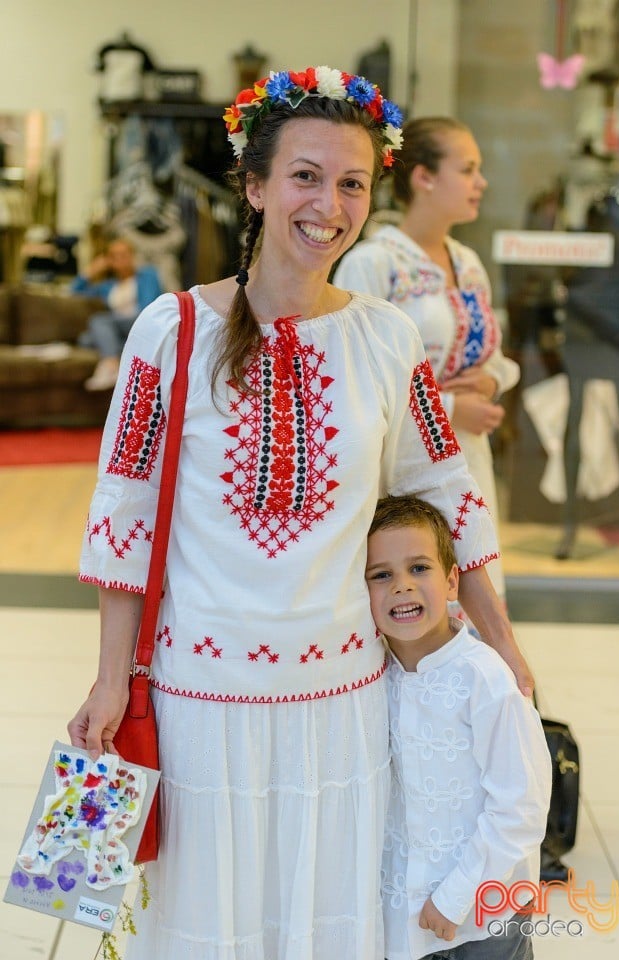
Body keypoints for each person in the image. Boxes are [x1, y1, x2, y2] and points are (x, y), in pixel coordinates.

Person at [68, 66, 533, 960]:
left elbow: (447, 496)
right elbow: (121, 512)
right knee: (207, 924)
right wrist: (106, 677)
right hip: (199, 700)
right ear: (254, 186)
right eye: (306, 176)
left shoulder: (384, 339)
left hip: (341, 701)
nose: (329, 203)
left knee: (323, 923)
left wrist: (497, 640)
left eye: (352, 183)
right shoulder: (170, 331)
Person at [334, 117, 520, 622]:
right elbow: (359, 375)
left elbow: (496, 358)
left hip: (469, 456)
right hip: (404, 463)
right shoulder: (374, 262)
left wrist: (492, 381)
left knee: (478, 578)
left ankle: (485, 695)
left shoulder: (468, 261)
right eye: (468, 169)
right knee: (417, 591)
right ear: (423, 177)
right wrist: (454, 407)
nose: (480, 182)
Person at [366, 495, 551, 960]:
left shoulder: (485, 679)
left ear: (452, 581)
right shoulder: (373, 678)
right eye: (381, 575)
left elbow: (521, 809)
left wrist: (455, 897)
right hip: (405, 917)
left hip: (486, 915)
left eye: (419, 568)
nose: (402, 587)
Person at [71, 236, 163, 390]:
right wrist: (91, 270)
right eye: (114, 256)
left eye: (124, 254)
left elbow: (149, 308)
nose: (120, 259)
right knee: (85, 340)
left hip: (141, 322)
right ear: (109, 261)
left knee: (99, 321)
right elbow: (74, 292)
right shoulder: (108, 286)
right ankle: (122, 352)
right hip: (120, 329)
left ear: (132, 256)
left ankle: (109, 364)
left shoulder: (147, 275)